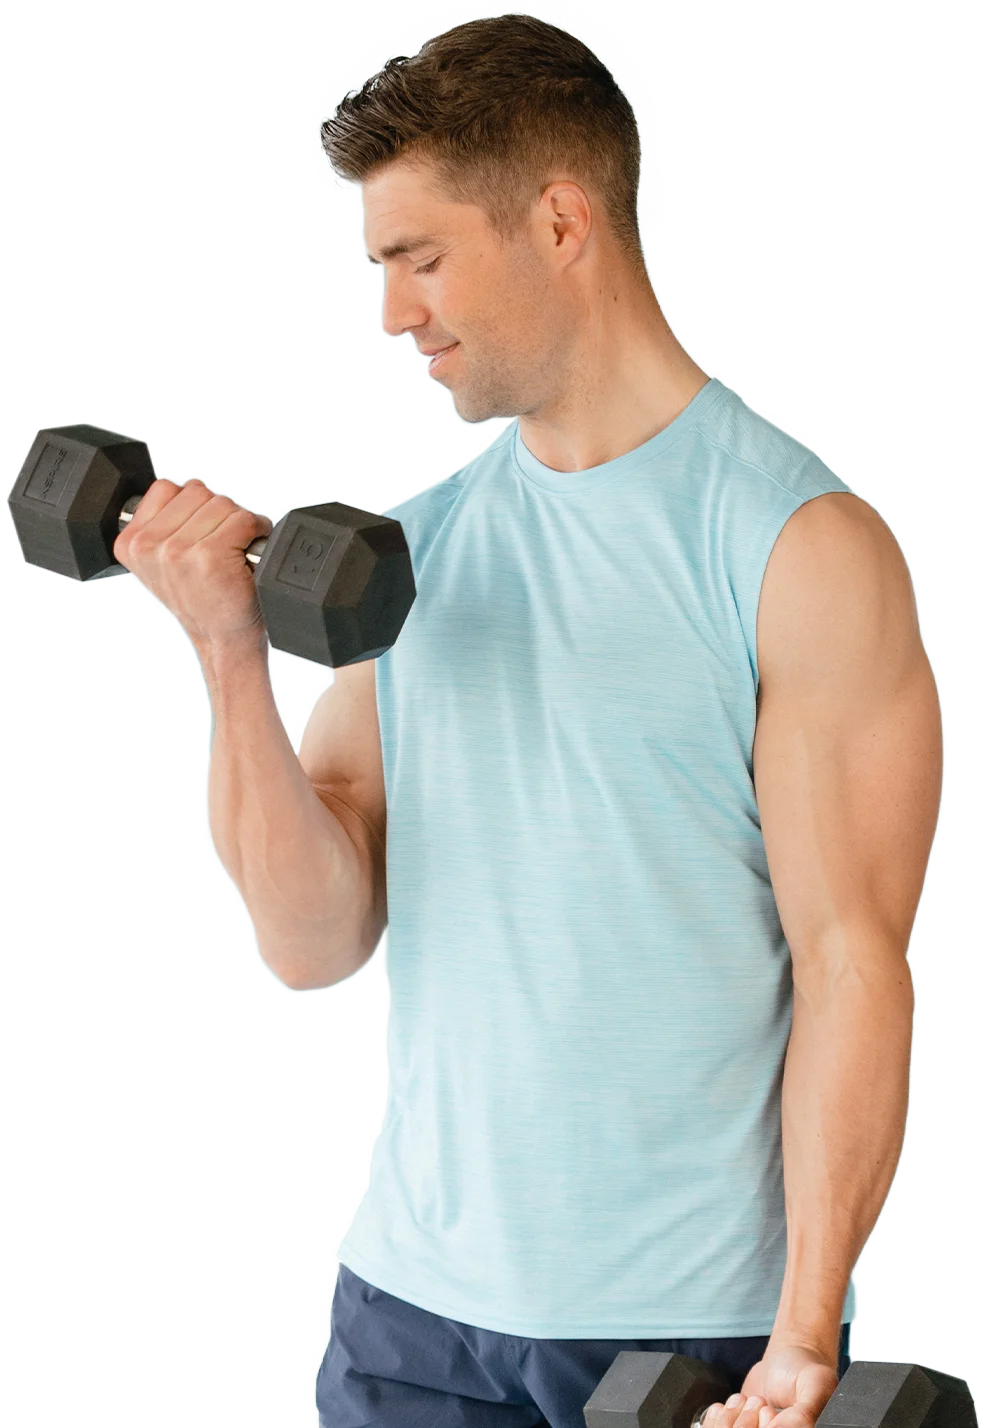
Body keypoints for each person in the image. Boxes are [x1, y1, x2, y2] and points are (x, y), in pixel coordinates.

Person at [112, 14, 944, 1428]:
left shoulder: (792, 547)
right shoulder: (423, 551)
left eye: (421, 259)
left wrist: (802, 1337)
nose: (395, 313)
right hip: (410, 1314)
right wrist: (230, 653)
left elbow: (852, 965)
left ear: (561, 221)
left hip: (678, 1339)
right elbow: (316, 941)